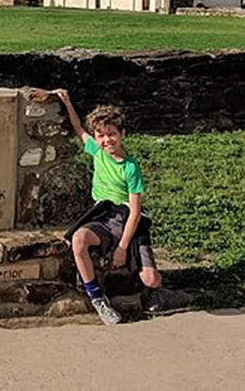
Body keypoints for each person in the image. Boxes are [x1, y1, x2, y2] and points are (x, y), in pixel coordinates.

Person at [53, 89, 164, 325]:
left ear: (122, 133)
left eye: (112, 134)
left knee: (151, 278)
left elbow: (135, 212)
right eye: (101, 135)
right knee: (79, 240)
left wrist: (122, 247)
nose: (107, 140)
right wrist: (67, 102)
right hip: (103, 215)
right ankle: (97, 298)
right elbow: (78, 129)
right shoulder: (97, 151)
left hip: (128, 220)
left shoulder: (131, 168)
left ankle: (152, 289)